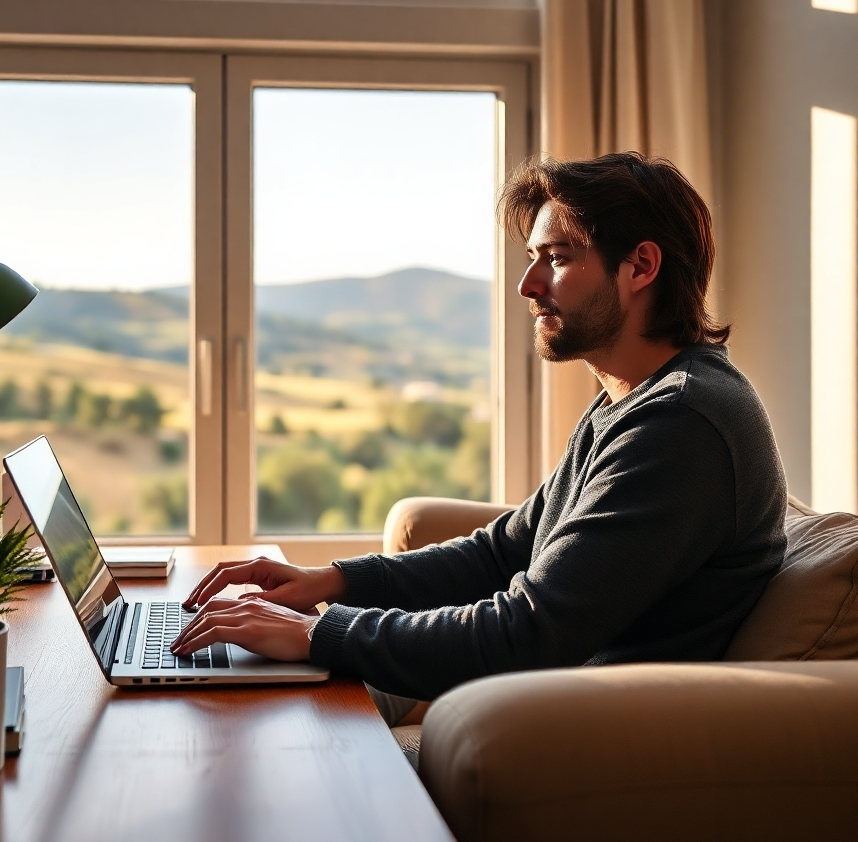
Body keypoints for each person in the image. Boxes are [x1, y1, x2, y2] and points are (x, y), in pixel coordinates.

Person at [172, 152, 787, 717]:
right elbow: (502, 552)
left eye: (558, 257)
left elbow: (530, 631)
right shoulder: (631, 402)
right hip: (536, 701)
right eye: (532, 260)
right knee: (227, 690)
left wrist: (317, 631)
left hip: (579, 737)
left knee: (254, 718)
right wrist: (331, 581)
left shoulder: (681, 423)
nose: (529, 286)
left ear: (640, 266)